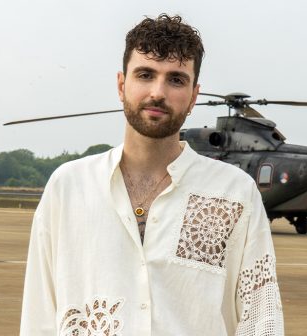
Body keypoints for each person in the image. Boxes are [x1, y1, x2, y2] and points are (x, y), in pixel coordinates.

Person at [20, 14, 284, 336]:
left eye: (176, 79)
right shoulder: (69, 186)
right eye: (145, 74)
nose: (158, 92)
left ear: (193, 96)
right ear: (121, 85)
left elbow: (260, 320)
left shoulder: (235, 192)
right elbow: (39, 315)